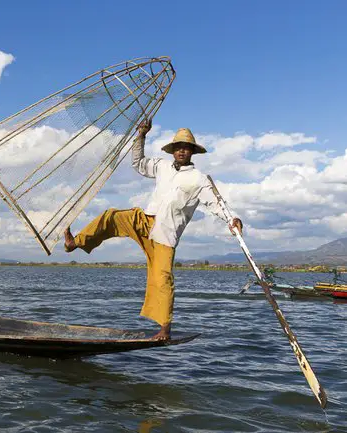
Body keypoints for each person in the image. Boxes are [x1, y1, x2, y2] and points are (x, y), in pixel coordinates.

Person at [64, 119, 242, 340]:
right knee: (111, 216)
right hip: (145, 220)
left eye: (186, 148)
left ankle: (164, 329)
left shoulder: (199, 179)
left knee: (162, 278)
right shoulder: (162, 166)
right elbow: (138, 163)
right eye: (178, 147)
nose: (181, 151)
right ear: (173, 150)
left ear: (192, 152)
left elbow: (217, 203)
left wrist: (232, 218)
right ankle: (76, 243)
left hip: (165, 234)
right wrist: (141, 136)